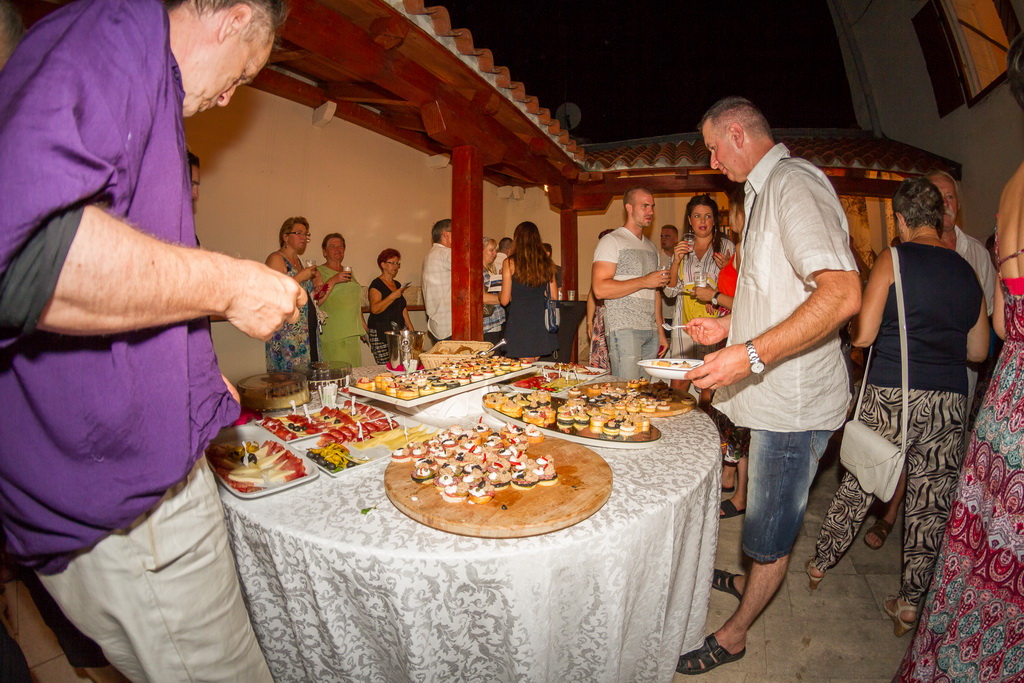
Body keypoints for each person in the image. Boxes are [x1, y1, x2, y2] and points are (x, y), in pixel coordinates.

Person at [0, 0, 302, 679]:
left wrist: (193, 373)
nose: (229, 97)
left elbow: (120, 285)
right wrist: (228, 285)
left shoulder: (150, 78)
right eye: (243, 74)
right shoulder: (117, 29)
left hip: (127, 491)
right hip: (127, 503)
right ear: (233, 16)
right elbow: (27, 255)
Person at [676, 97, 861, 675]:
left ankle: (734, 635)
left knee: (770, 534)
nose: (711, 161)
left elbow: (841, 294)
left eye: (712, 147)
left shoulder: (792, 184)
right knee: (759, 517)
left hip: (795, 405)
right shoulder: (762, 192)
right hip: (773, 395)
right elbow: (783, 296)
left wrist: (748, 354)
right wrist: (731, 326)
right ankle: (749, 575)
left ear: (737, 133)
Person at [806, 177, 988, 637]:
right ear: (942, 217)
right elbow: (980, 350)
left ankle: (820, 563)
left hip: (892, 393)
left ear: (901, 220)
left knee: (861, 482)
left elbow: (864, 334)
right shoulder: (966, 271)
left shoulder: (894, 258)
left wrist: (852, 334)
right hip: (948, 400)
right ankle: (909, 604)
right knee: (929, 503)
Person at [898, 33, 1024, 680]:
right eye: (938, 202)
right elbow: (993, 326)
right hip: (959, 389)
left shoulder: (992, 228)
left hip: (977, 393)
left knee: (938, 503)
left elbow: (995, 329)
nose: (946, 210)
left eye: (950, 201)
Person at [591, 186, 670, 380]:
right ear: (629, 208)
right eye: (644, 206)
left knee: (644, 394)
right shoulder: (611, 241)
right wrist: (644, 281)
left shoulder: (651, 247)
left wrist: (660, 331)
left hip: (650, 329)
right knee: (626, 393)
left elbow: (655, 292)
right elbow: (599, 289)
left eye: (652, 206)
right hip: (624, 327)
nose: (651, 211)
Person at [664, 194, 735, 407]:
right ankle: (675, 433)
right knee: (678, 382)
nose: (702, 221)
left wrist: (726, 270)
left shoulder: (728, 247)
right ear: (690, 220)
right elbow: (669, 292)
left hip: (716, 325)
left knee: (709, 385)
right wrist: (675, 261)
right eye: (697, 216)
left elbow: (738, 292)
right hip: (684, 324)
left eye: (707, 216)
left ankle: (708, 433)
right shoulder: (682, 248)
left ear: (715, 220)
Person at [705, 188, 750, 519]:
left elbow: (751, 307)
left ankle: (742, 496)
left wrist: (716, 296)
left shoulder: (750, 249)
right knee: (729, 416)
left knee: (743, 422)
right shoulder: (736, 252)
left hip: (743, 340)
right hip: (729, 335)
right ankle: (730, 474)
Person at [265, 216, 321, 371]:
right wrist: (301, 277)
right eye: (299, 233)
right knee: (288, 384)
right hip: (286, 333)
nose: (304, 238)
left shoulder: (299, 261)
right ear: (285, 236)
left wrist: (318, 290)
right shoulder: (276, 258)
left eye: (306, 235)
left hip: (306, 329)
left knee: (307, 380)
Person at [500, 221, 559, 361]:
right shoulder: (546, 262)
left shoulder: (509, 263)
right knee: (532, 365)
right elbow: (554, 296)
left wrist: (499, 294)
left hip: (520, 319)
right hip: (539, 318)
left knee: (525, 366)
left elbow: (504, 300)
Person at [314, 233, 368, 368]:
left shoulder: (348, 271)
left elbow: (355, 301)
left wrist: (362, 325)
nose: (338, 249)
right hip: (334, 332)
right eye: (332, 246)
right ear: (324, 252)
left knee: (353, 374)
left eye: (341, 246)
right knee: (337, 376)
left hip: (352, 332)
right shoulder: (318, 271)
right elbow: (316, 301)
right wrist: (334, 280)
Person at [365, 247, 413, 365]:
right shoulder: (376, 284)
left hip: (398, 331)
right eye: (392, 263)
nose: (396, 266)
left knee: (402, 364)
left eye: (397, 263)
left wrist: (410, 328)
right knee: (386, 367)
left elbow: (402, 308)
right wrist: (393, 296)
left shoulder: (397, 284)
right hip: (380, 332)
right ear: (383, 265)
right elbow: (375, 309)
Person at [586, 228, 616, 370]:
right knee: (599, 356)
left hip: (617, 314)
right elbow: (592, 294)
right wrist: (589, 322)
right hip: (601, 317)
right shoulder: (600, 265)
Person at [422, 218, 453, 343]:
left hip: (437, 323)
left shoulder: (431, 254)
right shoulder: (445, 253)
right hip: (448, 325)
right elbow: (471, 271)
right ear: (446, 234)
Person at [483, 237, 506, 348]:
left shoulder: (490, 269)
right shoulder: (478, 271)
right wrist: (503, 298)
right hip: (487, 325)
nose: (495, 253)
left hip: (496, 321)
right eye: (491, 250)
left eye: (496, 250)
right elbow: (483, 297)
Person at [659, 224, 679, 326]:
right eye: (661, 236)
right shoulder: (657, 260)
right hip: (665, 313)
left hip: (680, 311)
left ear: (676, 239)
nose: (663, 239)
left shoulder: (683, 259)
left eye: (667, 236)